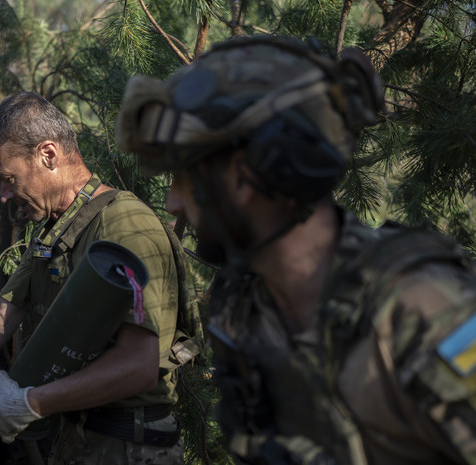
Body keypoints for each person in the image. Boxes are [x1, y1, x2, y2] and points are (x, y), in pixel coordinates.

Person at [115, 35, 476, 465]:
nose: (173, 203)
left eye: (185, 176)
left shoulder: (425, 309)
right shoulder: (246, 306)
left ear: (247, 174)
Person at [0, 91, 198, 464]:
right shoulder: (51, 233)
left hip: (131, 447)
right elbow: (0, 319)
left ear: (48, 155)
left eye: (9, 178)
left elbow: (138, 367)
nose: (4, 194)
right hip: (80, 441)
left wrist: (31, 402)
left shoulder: (124, 224)